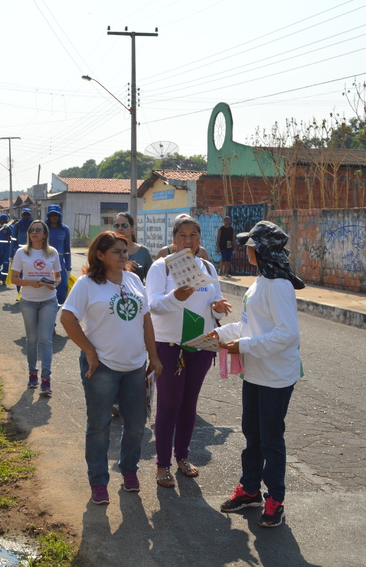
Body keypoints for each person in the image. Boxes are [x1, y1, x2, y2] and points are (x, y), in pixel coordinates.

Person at [212, 221, 304, 528]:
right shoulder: (260, 281)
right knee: (253, 435)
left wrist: (245, 346)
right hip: (255, 373)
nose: (245, 248)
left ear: (261, 249)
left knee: (271, 440)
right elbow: (252, 326)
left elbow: (287, 335)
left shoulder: (278, 285)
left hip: (276, 377)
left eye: (250, 244)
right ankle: (250, 489)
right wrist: (223, 334)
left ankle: (275, 498)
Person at [61, 232, 163, 504]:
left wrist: (153, 356)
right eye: (117, 251)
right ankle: (98, 482)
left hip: (134, 366)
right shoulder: (87, 284)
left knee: (136, 425)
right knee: (99, 426)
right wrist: (89, 351)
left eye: (125, 250)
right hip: (102, 367)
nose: (124, 255)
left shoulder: (132, 279)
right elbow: (67, 317)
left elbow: (145, 318)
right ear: (100, 255)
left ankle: (129, 470)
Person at [145, 215, 231, 488]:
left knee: (189, 403)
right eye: (183, 235)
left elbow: (214, 299)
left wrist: (218, 306)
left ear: (198, 240)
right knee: (169, 403)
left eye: (193, 235)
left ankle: (182, 457)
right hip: (168, 345)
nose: (188, 240)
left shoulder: (207, 266)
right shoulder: (162, 268)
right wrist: (175, 297)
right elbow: (153, 305)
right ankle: (162, 464)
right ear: (174, 239)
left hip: (201, 344)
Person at [9, 220, 62, 396]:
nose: (34, 232)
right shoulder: (21, 252)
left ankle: (46, 380)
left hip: (48, 300)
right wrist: (30, 283)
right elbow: (14, 278)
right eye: (32, 230)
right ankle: (33, 374)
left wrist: (52, 284)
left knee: (46, 339)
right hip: (28, 301)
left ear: (45, 234)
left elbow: (58, 277)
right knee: (31, 339)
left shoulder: (52, 252)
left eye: (38, 230)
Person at [113, 212, 153, 283]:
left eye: (124, 225)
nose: (120, 228)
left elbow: (151, 280)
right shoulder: (109, 250)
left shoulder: (143, 252)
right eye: (117, 225)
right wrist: (125, 266)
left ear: (132, 228)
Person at [46, 205, 73, 304]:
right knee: (46, 292)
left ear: (60, 216)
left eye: (56, 215)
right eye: (52, 215)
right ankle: (47, 316)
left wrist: (68, 268)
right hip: (45, 264)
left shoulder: (64, 229)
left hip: (60, 265)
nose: (54, 217)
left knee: (62, 293)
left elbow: (67, 250)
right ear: (48, 216)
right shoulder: (43, 228)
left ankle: (53, 311)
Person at [0, 214, 12, 284]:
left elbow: (12, 235)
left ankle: (4, 279)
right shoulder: (1, 227)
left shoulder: (10, 227)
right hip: (0, 249)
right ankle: (0, 275)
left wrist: (8, 228)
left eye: (0, 220)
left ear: (4, 220)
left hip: (7, 249)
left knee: (5, 264)